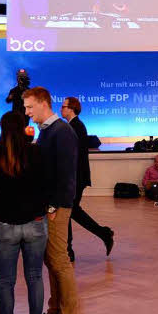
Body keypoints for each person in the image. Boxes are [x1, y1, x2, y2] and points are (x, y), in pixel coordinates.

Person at [0, 111, 48, 314]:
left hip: (5, 225)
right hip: (35, 223)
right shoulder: (37, 153)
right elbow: (46, 187)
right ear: (25, 127)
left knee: (5, 282)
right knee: (35, 279)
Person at [23, 86, 80, 314]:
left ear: (44, 104)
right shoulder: (48, 132)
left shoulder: (62, 132)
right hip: (49, 205)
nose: (27, 112)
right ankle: (55, 312)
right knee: (51, 259)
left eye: (29, 107)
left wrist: (54, 206)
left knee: (59, 260)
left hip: (57, 207)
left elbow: (67, 175)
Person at [61, 97, 114, 261]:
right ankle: (70, 249)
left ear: (71, 108)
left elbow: (74, 156)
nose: (61, 109)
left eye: (63, 107)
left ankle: (69, 250)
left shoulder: (76, 127)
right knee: (70, 211)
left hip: (76, 177)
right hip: (76, 177)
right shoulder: (74, 126)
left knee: (69, 211)